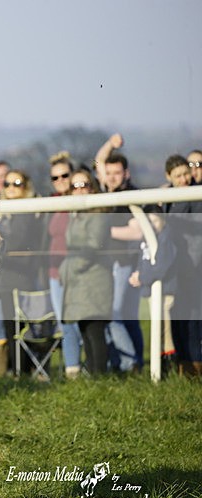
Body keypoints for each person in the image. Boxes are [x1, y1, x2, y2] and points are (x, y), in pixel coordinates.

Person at [95, 133, 144, 373]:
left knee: (116, 316)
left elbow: (137, 232)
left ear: (126, 173)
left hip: (125, 264)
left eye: (117, 172)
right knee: (119, 316)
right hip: (106, 264)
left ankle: (131, 363)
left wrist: (102, 231)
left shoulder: (133, 195)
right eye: (109, 172)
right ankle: (120, 364)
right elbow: (99, 160)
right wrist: (110, 145)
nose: (112, 177)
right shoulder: (104, 191)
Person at [0, 170, 47, 375]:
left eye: (17, 183)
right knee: (11, 327)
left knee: (23, 327)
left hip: (23, 277)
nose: (11, 188)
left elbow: (17, 240)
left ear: (26, 186)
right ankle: (17, 370)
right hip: (5, 277)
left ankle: (24, 370)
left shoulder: (27, 212)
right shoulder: (3, 211)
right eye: (7, 184)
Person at [60, 170, 113, 375]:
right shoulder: (76, 215)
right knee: (85, 329)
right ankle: (92, 374)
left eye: (84, 185)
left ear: (92, 187)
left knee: (95, 330)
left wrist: (67, 269)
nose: (80, 190)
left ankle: (100, 377)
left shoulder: (98, 214)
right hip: (79, 281)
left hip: (95, 279)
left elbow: (92, 247)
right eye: (75, 186)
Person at [162, 154, 202, 376]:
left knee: (193, 318)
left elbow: (196, 239)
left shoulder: (196, 196)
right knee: (177, 317)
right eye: (178, 176)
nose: (184, 179)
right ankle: (183, 365)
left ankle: (195, 366)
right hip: (175, 267)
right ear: (169, 177)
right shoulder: (167, 197)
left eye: (186, 173)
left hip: (193, 267)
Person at [46, 151, 83, 378]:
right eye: (55, 177)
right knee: (65, 322)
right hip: (54, 271)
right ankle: (73, 369)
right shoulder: (51, 202)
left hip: (77, 271)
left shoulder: (82, 200)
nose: (60, 181)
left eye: (64, 175)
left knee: (82, 323)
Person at [128, 205, 177, 376]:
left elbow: (161, 266)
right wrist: (138, 273)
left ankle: (169, 367)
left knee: (165, 330)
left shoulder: (165, 239)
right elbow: (143, 260)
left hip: (165, 292)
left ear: (163, 220)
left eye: (155, 220)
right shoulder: (147, 239)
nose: (152, 225)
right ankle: (160, 366)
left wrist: (142, 277)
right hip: (152, 292)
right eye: (148, 221)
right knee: (158, 330)